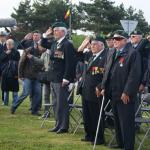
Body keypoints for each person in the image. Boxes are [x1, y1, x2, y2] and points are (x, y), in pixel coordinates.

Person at [96, 30, 141, 150]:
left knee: (126, 122)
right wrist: (104, 86)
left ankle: (128, 146)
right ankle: (120, 142)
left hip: (124, 93)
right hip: (113, 92)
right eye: (114, 39)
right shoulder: (112, 52)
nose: (114, 41)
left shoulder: (132, 53)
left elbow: (134, 75)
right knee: (116, 120)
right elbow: (107, 72)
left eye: (118, 39)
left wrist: (127, 92)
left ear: (125, 40)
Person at [78, 37, 107, 145]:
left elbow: (106, 74)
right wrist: (83, 44)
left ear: (101, 45)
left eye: (95, 44)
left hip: (96, 90)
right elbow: (78, 55)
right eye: (91, 44)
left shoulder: (106, 56)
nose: (92, 46)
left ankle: (98, 138)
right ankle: (89, 135)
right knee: (87, 115)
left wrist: (100, 86)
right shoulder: (90, 54)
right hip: (86, 89)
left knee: (96, 115)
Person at [48, 22, 76, 134]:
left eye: (56, 30)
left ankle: (64, 126)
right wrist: (46, 35)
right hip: (54, 77)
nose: (54, 32)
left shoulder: (67, 44)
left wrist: (66, 78)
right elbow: (51, 56)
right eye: (54, 31)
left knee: (62, 103)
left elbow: (70, 63)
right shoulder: (55, 43)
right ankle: (57, 124)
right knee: (55, 103)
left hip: (61, 78)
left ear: (63, 32)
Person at [11, 31, 43, 116]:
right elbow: (21, 62)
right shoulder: (28, 49)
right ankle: (14, 106)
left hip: (37, 76)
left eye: (37, 35)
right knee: (26, 93)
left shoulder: (42, 50)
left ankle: (34, 110)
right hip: (27, 75)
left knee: (38, 93)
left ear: (40, 37)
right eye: (34, 35)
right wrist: (20, 74)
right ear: (32, 37)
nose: (35, 37)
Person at [0, 39, 20, 106]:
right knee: (5, 90)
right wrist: (6, 54)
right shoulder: (4, 51)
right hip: (5, 73)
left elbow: (18, 63)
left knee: (15, 90)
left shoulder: (16, 52)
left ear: (13, 45)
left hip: (14, 73)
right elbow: (1, 59)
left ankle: (15, 103)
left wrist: (17, 74)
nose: (8, 45)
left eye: (9, 44)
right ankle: (5, 102)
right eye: (7, 44)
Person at [0, 30, 7, 104]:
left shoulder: (8, 45)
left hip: (5, 67)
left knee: (4, 84)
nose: (2, 38)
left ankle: (3, 99)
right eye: (1, 36)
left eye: (3, 36)